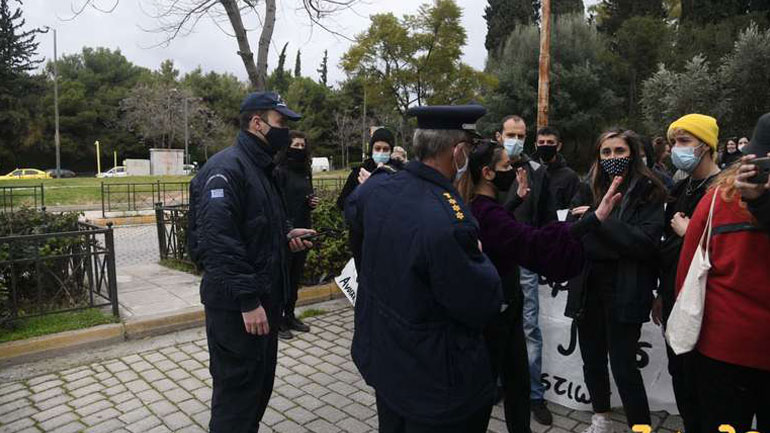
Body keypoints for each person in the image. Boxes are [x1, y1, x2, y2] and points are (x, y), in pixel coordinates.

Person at [345, 105, 503, 432]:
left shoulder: (375, 188)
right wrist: (480, 257)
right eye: (470, 148)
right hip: (434, 380)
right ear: (458, 151)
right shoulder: (449, 220)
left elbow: (358, 237)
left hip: (386, 359)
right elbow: (480, 303)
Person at [456, 140, 622, 433]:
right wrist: (592, 220)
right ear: (488, 173)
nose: (513, 170)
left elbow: (498, 226)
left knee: (518, 380)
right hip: (495, 313)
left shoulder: (479, 205)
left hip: (507, 308)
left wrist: (516, 200)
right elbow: (533, 242)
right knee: (485, 389)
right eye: (506, 165)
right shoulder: (485, 211)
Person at [187, 92, 315, 433]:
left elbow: (254, 226)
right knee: (237, 399)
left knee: (257, 391)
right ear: (256, 123)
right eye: (281, 123)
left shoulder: (261, 167)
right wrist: (247, 300)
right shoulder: (226, 169)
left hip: (263, 302)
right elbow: (217, 241)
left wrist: (286, 236)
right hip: (238, 308)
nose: (286, 132)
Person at [567, 129, 667, 433]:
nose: (613, 158)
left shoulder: (650, 190)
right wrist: (611, 234)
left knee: (624, 367)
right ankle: (601, 417)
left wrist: (599, 220)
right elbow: (573, 235)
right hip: (588, 287)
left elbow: (643, 243)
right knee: (592, 360)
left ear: (633, 153)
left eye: (619, 151)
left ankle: (641, 427)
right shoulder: (586, 187)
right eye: (606, 152)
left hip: (626, 288)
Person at [675, 113, 770, 433]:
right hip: (724, 346)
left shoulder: (717, 197)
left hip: (722, 348)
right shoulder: (713, 198)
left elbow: (686, 271)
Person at [650, 114, 721, 433]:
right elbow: (666, 248)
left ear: (705, 146)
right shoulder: (680, 187)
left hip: (710, 307)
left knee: (707, 386)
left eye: (684, 142)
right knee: (681, 378)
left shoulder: (724, 191)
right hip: (673, 297)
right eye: (674, 142)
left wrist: (689, 230)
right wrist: (662, 296)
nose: (675, 149)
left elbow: (729, 249)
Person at [495, 115, 557, 425]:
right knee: (493, 322)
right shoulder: (488, 169)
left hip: (525, 261)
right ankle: (495, 385)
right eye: (510, 134)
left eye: (520, 134)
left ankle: (534, 394)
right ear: (499, 135)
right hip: (493, 260)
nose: (515, 139)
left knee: (529, 327)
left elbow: (547, 216)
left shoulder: (536, 171)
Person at [274, 131, 319, 340]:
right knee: (282, 277)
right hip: (285, 231)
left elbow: (307, 196)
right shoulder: (279, 171)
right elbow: (278, 203)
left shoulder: (306, 171)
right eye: (295, 145)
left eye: (302, 145)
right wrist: (287, 229)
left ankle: (290, 314)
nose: (299, 149)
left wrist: (312, 202)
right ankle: (278, 320)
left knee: (295, 276)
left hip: (304, 227)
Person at [336, 127, 395, 210]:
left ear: (391, 151)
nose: (381, 153)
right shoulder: (359, 172)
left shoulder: (398, 172)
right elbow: (342, 203)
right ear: (372, 150)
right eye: (377, 148)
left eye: (385, 149)